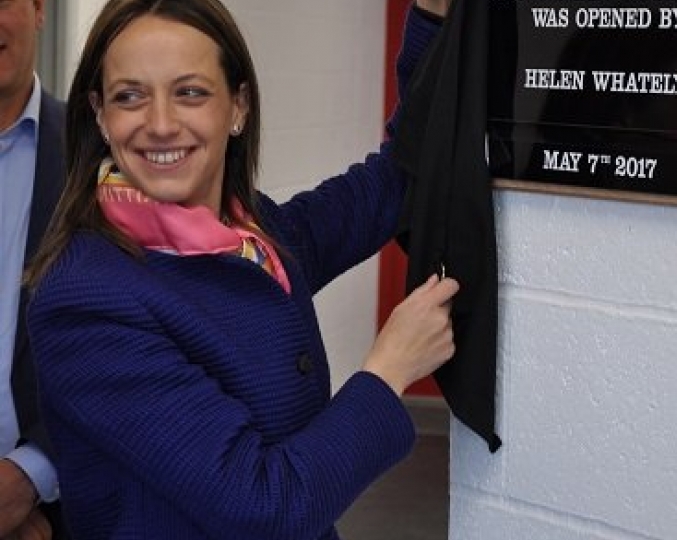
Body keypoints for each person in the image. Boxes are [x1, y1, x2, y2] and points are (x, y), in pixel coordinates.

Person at [24, 0, 455, 538]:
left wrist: (433, 18)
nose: (160, 124)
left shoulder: (255, 236)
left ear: (238, 107)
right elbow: (261, 505)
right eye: (129, 96)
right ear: (101, 116)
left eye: (190, 92)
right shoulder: (86, 301)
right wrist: (390, 368)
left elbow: (397, 179)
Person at [0, 0, 66, 538]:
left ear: (40, 8)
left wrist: (30, 477)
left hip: (54, 515)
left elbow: (126, 344)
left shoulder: (97, 160)